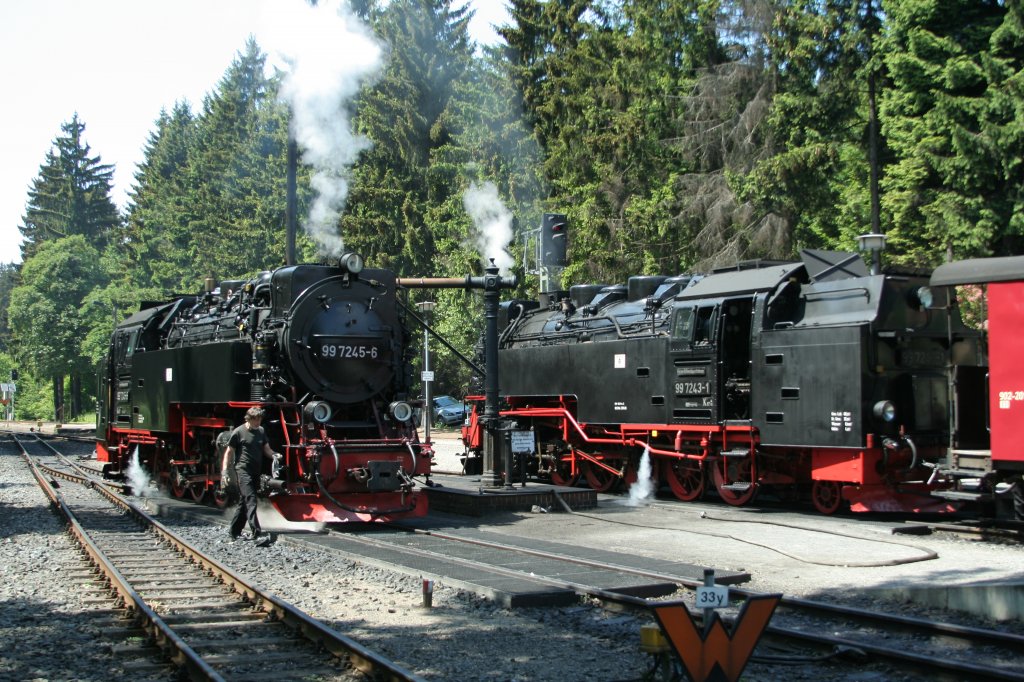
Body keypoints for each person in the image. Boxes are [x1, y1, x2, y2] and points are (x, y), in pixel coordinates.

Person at [221, 406, 281, 546]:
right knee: (251, 499)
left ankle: (234, 532)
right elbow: (229, 453)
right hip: (243, 470)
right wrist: (224, 472)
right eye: (256, 420)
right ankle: (257, 533)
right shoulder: (238, 432)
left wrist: (274, 455)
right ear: (249, 419)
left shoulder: (261, 431)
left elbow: (266, 449)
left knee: (244, 503)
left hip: (255, 471)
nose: (258, 422)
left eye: (260, 419)